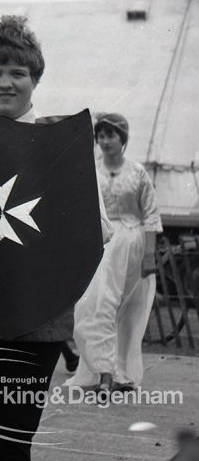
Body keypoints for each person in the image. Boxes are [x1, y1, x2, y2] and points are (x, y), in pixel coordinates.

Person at [0, 15, 107, 460]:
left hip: (34, 322)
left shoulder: (61, 145)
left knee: (9, 445)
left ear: (35, 79)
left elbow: (94, 229)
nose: (5, 83)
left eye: (17, 73)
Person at [66, 112, 160, 393]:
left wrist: (149, 255)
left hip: (133, 245)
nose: (105, 141)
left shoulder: (137, 171)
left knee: (129, 309)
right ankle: (102, 371)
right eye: (101, 136)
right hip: (103, 244)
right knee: (97, 304)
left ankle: (121, 373)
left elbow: (151, 215)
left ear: (123, 139)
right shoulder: (91, 170)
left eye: (111, 135)